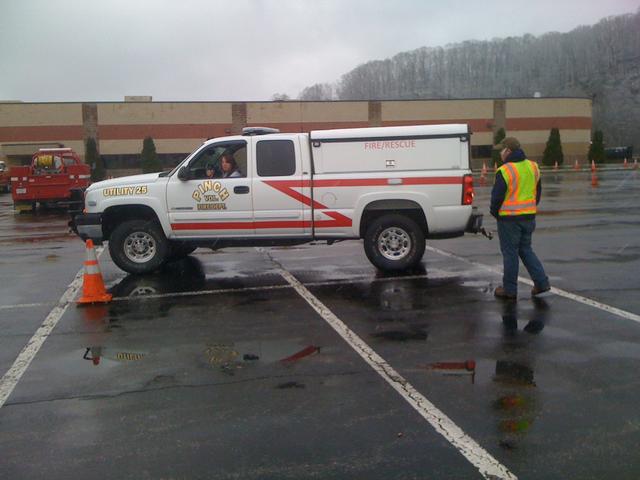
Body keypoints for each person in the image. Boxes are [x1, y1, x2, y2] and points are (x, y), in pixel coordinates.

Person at [490, 137, 550, 300]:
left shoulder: (505, 170)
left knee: (510, 253)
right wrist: (530, 208)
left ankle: (509, 289)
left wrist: (495, 212)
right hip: (528, 217)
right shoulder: (533, 167)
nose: (500, 153)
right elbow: (537, 192)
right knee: (526, 249)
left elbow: (497, 198)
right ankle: (541, 283)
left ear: (508, 151)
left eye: (501, 150)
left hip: (509, 219)